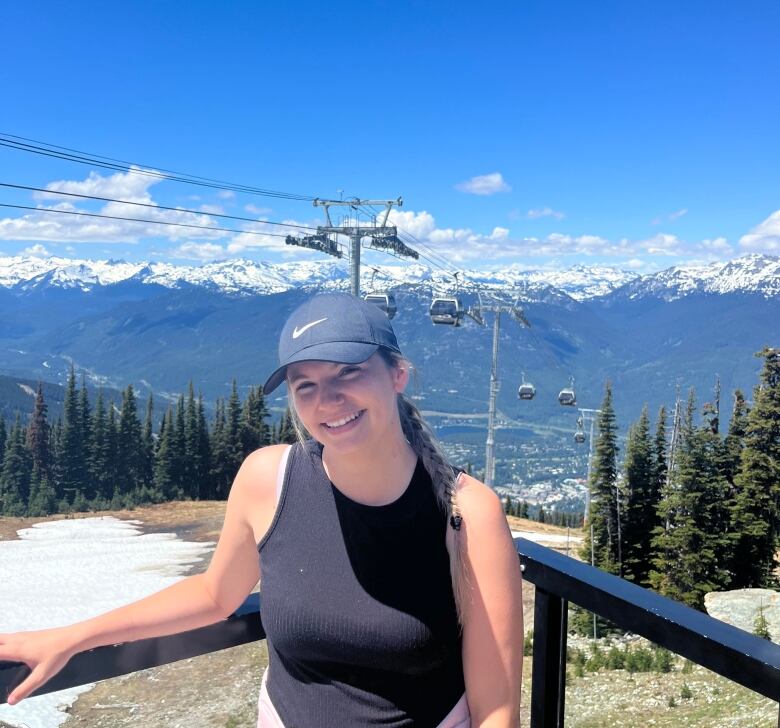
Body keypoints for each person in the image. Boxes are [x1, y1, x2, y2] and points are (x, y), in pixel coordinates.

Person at [0, 292, 524, 727]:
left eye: (348, 372)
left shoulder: (465, 512)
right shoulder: (267, 480)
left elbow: (497, 707)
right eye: (306, 386)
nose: (329, 400)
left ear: (397, 375)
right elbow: (213, 594)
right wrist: (73, 637)